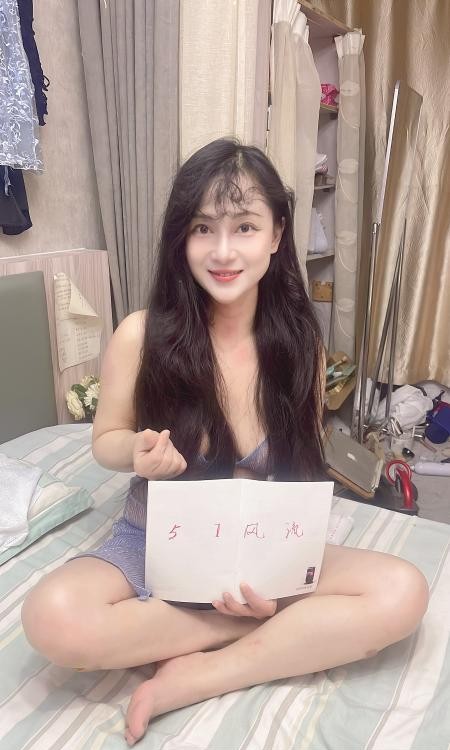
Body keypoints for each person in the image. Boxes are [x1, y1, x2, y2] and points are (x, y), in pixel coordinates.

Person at [21, 138, 429, 746]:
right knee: (50, 618)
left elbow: (297, 467)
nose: (222, 251)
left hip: (264, 540)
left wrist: (276, 578)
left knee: (403, 591)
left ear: (277, 234)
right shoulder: (141, 335)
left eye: (244, 227)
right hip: (157, 537)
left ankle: (202, 673)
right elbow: (104, 439)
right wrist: (134, 451)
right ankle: (240, 630)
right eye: (203, 228)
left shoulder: (301, 347)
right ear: (181, 238)